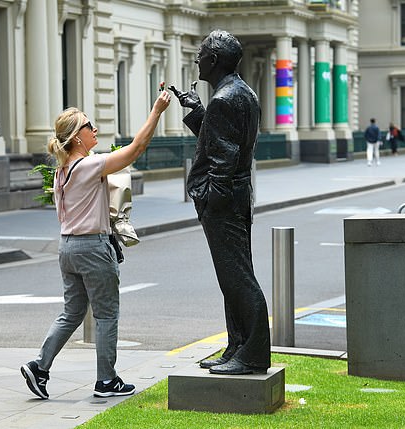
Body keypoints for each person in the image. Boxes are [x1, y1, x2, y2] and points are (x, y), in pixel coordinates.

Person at [20, 90, 171, 399]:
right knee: (105, 315)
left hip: (68, 248)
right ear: (77, 137)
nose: (95, 130)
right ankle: (106, 381)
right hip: (92, 248)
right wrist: (156, 110)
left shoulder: (62, 172)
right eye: (89, 125)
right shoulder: (87, 166)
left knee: (72, 312)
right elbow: (136, 149)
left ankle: (40, 367)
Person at [169, 29, 270, 375]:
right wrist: (198, 113)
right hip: (236, 196)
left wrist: (207, 198)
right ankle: (237, 345)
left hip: (224, 202)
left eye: (200, 54)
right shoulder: (242, 93)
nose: (197, 58)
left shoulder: (225, 99)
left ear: (213, 61)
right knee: (233, 278)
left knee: (238, 277)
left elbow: (223, 161)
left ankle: (253, 353)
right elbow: (221, 141)